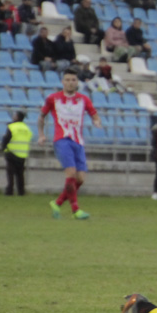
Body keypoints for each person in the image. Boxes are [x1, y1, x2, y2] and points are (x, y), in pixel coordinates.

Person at [38, 68, 101, 221]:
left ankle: (57, 202)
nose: (70, 82)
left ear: (77, 82)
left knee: (80, 179)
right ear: (62, 82)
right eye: (67, 80)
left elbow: (93, 113)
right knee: (71, 174)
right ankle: (75, 210)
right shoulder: (53, 98)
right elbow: (41, 117)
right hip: (62, 140)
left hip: (78, 141)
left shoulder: (84, 99)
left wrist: (96, 120)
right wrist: (41, 135)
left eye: (73, 80)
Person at [2, 110, 32, 196]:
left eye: (14, 115)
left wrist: (4, 149)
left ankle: (9, 191)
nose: (13, 117)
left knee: (10, 173)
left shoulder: (12, 127)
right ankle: (21, 191)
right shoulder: (27, 128)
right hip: (23, 154)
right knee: (20, 174)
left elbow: (6, 138)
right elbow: (29, 137)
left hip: (11, 152)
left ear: (17, 117)